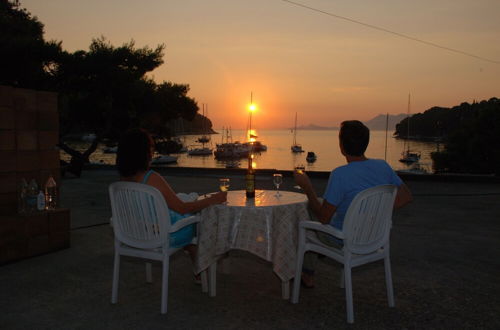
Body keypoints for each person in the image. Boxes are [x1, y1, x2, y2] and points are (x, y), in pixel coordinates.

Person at [294, 120, 412, 288]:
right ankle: (309, 270)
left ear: (341, 146)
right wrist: (375, 212)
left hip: (343, 239)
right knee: (320, 202)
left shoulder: (340, 175)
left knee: (305, 209)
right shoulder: (383, 166)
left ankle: (307, 274)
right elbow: (406, 196)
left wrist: (307, 187)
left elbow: (324, 218)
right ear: (366, 143)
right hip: (374, 236)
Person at [116, 128, 227, 281]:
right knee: (199, 219)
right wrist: (213, 199)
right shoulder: (151, 178)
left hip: (137, 232)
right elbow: (182, 208)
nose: (153, 150)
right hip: (163, 235)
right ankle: (206, 259)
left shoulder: (122, 181)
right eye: (151, 147)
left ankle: (196, 258)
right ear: (142, 152)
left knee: (188, 208)